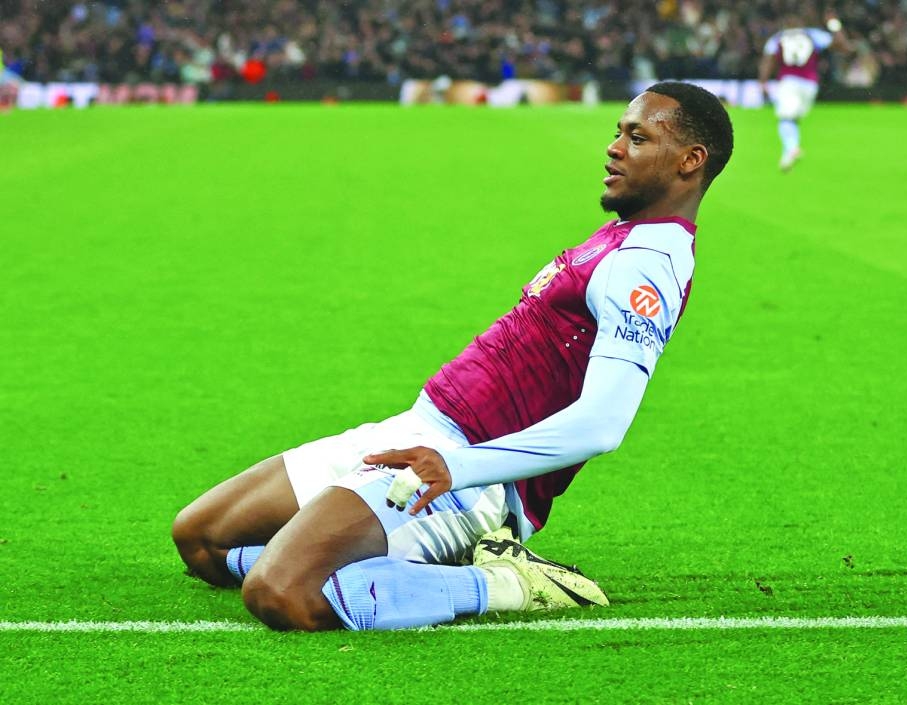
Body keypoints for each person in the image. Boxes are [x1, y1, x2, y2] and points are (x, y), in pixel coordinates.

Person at [172, 81, 734, 631]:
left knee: (281, 591)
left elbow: (602, 425)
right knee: (202, 539)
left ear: (690, 160)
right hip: (423, 430)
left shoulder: (648, 263)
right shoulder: (624, 234)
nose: (613, 148)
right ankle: (370, 560)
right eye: (619, 133)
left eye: (637, 139)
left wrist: (459, 468)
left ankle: (510, 584)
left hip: (475, 475)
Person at [758, 15, 850, 171]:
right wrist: (834, 25)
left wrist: (763, 82)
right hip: (810, 84)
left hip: (788, 82)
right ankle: (788, 154)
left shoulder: (778, 38)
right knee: (793, 119)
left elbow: (768, 60)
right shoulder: (813, 34)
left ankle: (792, 148)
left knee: (785, 119)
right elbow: (843, 46)